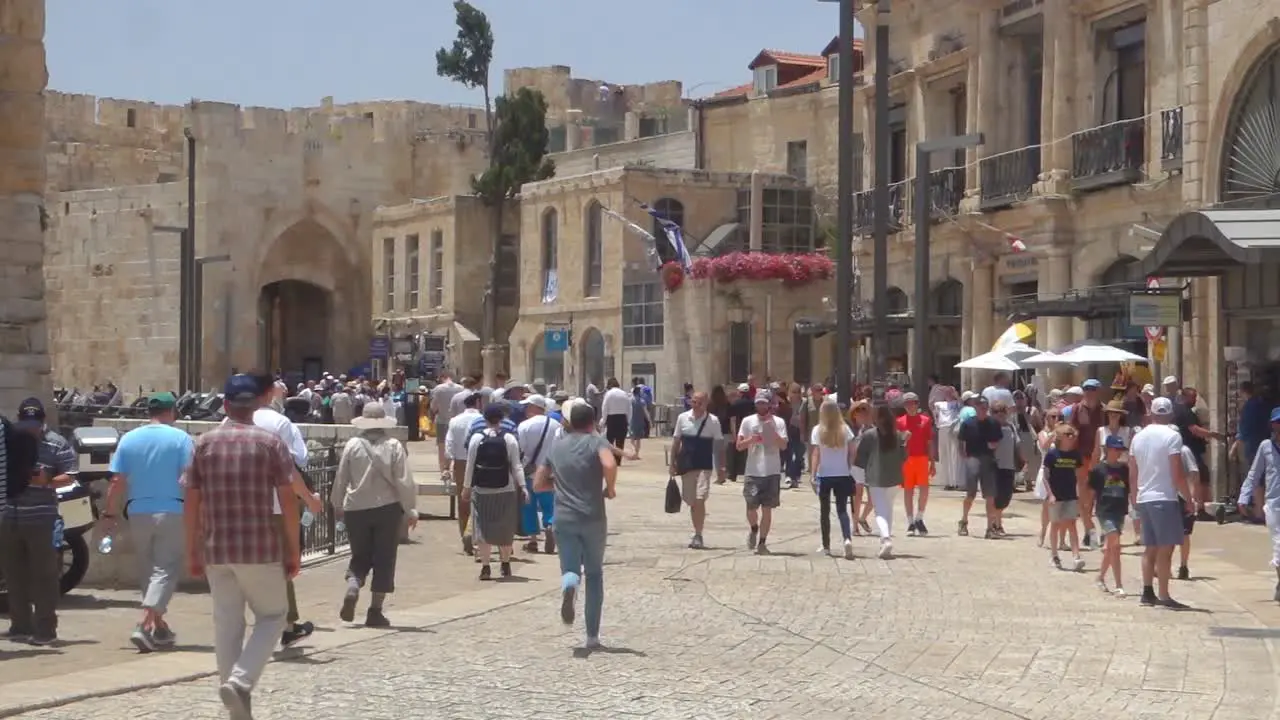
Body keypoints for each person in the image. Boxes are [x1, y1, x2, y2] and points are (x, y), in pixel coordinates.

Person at [184, 374, 300, 717]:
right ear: (257, 405)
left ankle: (236, 707)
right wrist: (292, 549)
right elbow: (288, 500)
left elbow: (191, 501)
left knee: (227, 625)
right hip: (259, 547)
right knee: (274, 616)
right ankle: (240, 682)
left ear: (225, 405)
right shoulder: (269, 443)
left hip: (217, 548)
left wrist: (192, 548)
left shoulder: (203, 444)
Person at [229, 374, 324, 648]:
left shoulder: (227, 423)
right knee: (282, 564)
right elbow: (293, 464)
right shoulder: (279, 423)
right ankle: (284, 623)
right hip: (275, 503)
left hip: (237, 504)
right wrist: (308, 497)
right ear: (270, 392)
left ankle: (274, 623)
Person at [100, 392, 195, 651]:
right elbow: (190, 478)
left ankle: (159, 628)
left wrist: (109, 514)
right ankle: (144, 624)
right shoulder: (181, 439)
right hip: (172, 509)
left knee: (148, 569)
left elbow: (117, 481)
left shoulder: (129, 439)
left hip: (138, 511)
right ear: (172, 411)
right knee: (166, 568)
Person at [534, 402, 617, 649]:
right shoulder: (597, 442)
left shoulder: (556, 447)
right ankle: (592, 636)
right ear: (592, 422)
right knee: (594, 574)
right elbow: (610, 464)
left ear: (570, 422)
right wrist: (609, 488)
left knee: (570, 568)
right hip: (592, 515)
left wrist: (557, 486)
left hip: (564, 515)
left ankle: (570, 584)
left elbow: (538, 483)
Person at [332, 402, 417, 627]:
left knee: (360, 554)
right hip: (386, 508)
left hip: (356, 507)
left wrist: (337, 503)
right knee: (385, 557)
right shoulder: (393, 446)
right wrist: (411, 509)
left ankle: (353, 584)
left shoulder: (352, 445)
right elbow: (404, 481)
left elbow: (341, 477)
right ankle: (375, 610)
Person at [1, 398, 75, 647]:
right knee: (14, 574)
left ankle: (45, 629)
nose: (30, 428)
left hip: (42, 516)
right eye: (25, 423)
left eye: (34, 423)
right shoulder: (8, 440)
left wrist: (47, 481)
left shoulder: (56, 443)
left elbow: (71, 475)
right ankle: (20, 625)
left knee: (44, 576)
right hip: (9, 515)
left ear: (43, 421)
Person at [1129, 396, 1194, 609]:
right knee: (1166, 550)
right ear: (1170, 414)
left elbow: (1133, 471)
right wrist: (1189, 498)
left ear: (1152, 413)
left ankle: (1147, 592)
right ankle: (1164, 595)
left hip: (1144, 497)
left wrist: (1134, 497)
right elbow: (1176, 472)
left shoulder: (1138, 438)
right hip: (1164, 497)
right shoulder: (1173, 436)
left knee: (1150, 549)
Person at [462, 403, 526, 581]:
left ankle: (486, 566)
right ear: (501, 419)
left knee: (482, 527)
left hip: (481, 490)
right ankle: (505, 564)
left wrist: (466, 488)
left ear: (484, 419)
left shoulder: (476, 438)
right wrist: (523, 486)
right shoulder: (509, 439)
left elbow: (470, 465)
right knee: (505, 526)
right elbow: (516, 465)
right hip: (506, 489)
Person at [853, 404, 908, 559]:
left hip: (876, 478)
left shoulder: (870, 435)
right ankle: (886, 541)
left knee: (880, 511)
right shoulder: (898, 435)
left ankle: (886, 539)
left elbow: (860, 457)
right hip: (895, 478)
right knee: (888, 509)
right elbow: (904, 457)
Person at [737, 390, 789, 555]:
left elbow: (784, 445)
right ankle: (754, 528)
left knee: (767, 509)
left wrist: (772, 435)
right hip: (753, 470)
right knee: (751, 507)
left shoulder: (778, 422)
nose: (761, 406)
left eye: (764, 403)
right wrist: (751, 439)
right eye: (758, 403)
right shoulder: (747, 421)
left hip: (772, 471)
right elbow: (739, 446)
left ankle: (762, 542)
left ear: (769, 404)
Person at [670, 391, 722, 550]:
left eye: (699, 402)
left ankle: (698, 534)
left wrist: (721, 467)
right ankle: (696, 532)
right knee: (691, 501)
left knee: (700, 498)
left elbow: (719, 446)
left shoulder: (713, 421)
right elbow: (676, 441)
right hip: (686, 465)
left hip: (704, 466)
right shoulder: (682, 418)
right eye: (694, 402)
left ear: (706, 404)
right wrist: (672, 463)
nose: (696, 405)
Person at [1239, 406, 1280, 602]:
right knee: (1279, 546)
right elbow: (1254, 475)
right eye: (1278, 422)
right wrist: (1243, 497)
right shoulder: (1266, 447)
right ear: (1272, 425)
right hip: (1275, 505)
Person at [809, 399, 857, 559]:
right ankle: (847, 539)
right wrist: (848, 466)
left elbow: (816, 453)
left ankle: (826, 545)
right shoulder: (845, 429)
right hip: (842, 474)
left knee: (824, 511)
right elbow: (853, 451)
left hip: (825, 475)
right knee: (842, 509)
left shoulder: (817, 430)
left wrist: (813, 473)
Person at [516, 395, 559, 554]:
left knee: (529, 506)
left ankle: (533, 539)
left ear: (535, 407)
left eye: (528, 406)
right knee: (550, 504)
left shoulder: (524, 426)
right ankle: (549, 526)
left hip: (530, 471)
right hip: (551, 471)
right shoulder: (556, 425)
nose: (525, 409)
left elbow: (520, 449)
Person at [1090, 435, 1131, 596]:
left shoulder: (1124, 470)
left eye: (1120, 449)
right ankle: (1119, 585)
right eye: (1115, 449)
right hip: (1104, 510)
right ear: (1107, 449)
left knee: (1110, 547)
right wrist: (1087, 515)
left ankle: (1100, 577)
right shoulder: (1098, 470)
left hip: (1119, 510)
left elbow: (1129, 488)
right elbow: (1092, 492)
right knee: (1115, 544)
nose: (1118, 452)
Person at [1042, 424, 1086, 571]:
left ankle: (1076, 556)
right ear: (1060, 437)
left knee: (1072, 524)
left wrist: (1081, 496)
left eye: (1072, 434)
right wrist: (1050, 495)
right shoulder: (1052, 455)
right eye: (1068, 434)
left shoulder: (1075, 455)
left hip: (1070, 495)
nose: (1072, 437)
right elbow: (1045, 477)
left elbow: (1080, 477)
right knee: (1055, 525)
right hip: (1056, 496)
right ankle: (1054, 555)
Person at [957, 396, 1002, 538]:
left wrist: (994, 446)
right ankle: (964, 520)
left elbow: (997, 440)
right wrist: (963, 455)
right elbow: (961, 440)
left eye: (985, 407)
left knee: (990, 496)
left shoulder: (993, 423)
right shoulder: (968, 423)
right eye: (980, 407)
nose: (983, 410)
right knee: (970, 494)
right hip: (973, 458)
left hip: (988, 459)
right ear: (975, 408)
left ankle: (990, 528)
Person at [1068, 378, 1105, 549]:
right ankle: (1089, 530)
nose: (1089, 392)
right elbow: (1072, 432)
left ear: (1098, 391)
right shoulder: (1077, 409)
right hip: (1082, 458)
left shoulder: (1105, 410)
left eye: (1092, 389)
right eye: (1086, 389)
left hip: (1101, 459)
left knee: (1098, 496)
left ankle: (1101, 530)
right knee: (1083, 496)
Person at [446, 391, 483, 555]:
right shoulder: (482, 419)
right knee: (482, 499)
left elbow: (449, 445)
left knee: (463, 499)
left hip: (461, 462)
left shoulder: (454, 421)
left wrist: (450, 463)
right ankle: (476, 535)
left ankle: (464, 534)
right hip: (481, 461)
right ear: (478, 404)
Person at [897, 392, 934, 536]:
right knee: (908, 490)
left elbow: (929, 442)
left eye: (913, 403)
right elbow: (897, 443)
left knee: (924, 489)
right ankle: (910, 521)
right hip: (906, 459)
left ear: (917, 404)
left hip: (922, 458)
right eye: (907, 403)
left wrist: (932, 461)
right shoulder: (900, 421)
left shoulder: (925, 420)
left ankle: (919, 517)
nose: (910, 406)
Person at [990, 401, 1022, 537]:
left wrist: (1021, 459)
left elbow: (1017, 444)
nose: (1000, 416)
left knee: (1005, 497)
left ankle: (996, 522)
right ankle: (996, 524)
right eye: (997, 413)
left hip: (1009, 466)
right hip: (994, 466)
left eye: (1003, 413)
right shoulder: (989, 427)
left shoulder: (1011, 427)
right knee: (995, 497)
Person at [1033, 409, 1063, 547]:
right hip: (1047, 471)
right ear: (1046, 418)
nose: (1056, 418)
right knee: (1046, 506)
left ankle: (1062, 540)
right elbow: (1044, 447)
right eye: (1053, 416)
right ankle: (1043, 532)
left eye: (1059, 416)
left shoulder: (1062, 433)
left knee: (1062, 506)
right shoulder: (1042, 434)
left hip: (1061, 471)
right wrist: (1054, 433)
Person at [725, 385, 755, 482]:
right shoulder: (753, 403)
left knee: (735, 453)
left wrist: (734, 433)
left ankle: (732, 474)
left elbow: (732, 419)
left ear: (740, 392)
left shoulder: (735, 404)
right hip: (751, 431)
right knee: (750, 453)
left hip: (739, 430)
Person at [600, 378, 631, 454]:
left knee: (609, 441)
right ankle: (618, 460)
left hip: (611, 419)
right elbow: (629, 408)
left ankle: (611, 458)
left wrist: (603, 420)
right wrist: (628, 420)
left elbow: (604, 408)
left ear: (610, 385)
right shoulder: (624, 394)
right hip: (622, 418)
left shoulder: (608, 394)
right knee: (620, 442)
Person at [627, 385, 651, 459]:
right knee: (638, 439)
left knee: (632, 440)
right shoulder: (642, 401)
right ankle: (636, 453)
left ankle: (634, 452)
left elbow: (627, 410)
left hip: (632, 421)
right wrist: (649, 421)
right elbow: (646, 412)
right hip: (640, 422)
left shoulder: (630, 400)